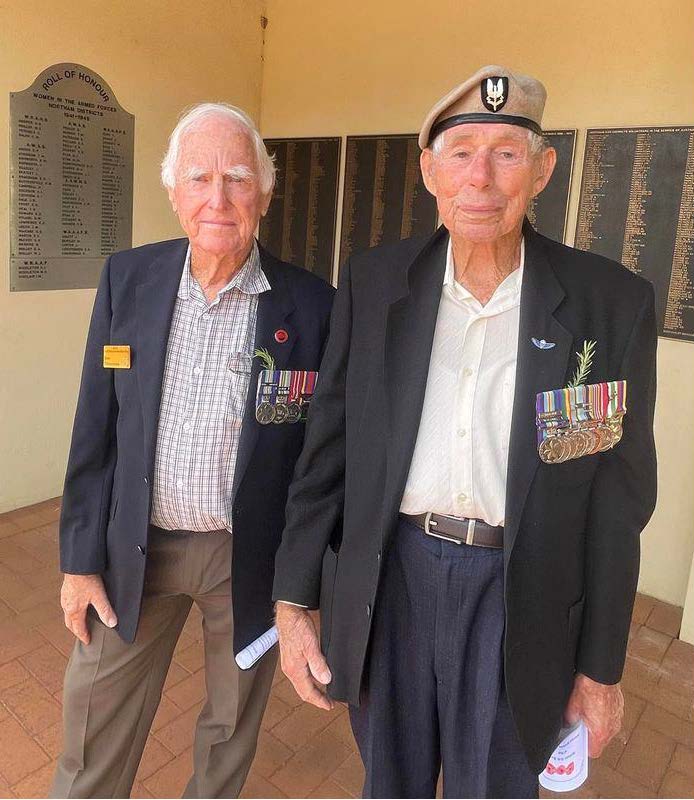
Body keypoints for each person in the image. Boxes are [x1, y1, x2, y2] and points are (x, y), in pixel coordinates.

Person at [273, 65, 657, 798]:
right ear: (429, 171)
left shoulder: (610, 304)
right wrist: (292, 604)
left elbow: (618, 503)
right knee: (390, 783)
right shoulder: (374, 284)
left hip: (523, 595)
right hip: (391, 581)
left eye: (506, 153)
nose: (480, 178)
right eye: (460, 154)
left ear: (542, 170)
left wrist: (601, 669)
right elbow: (327, 452)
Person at [51, 102, 334, 798]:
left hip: (246, 555)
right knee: (93, 717)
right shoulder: (128, 280)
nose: (218, 198)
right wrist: (79, 562)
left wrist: (301, 586)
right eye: (199, 178)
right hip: (134, 545)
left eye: (237, 178)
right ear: (173, 192)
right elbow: (95, 427)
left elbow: (319, 460)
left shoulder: (313, 306)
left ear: (264, 193)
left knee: (230, 726)